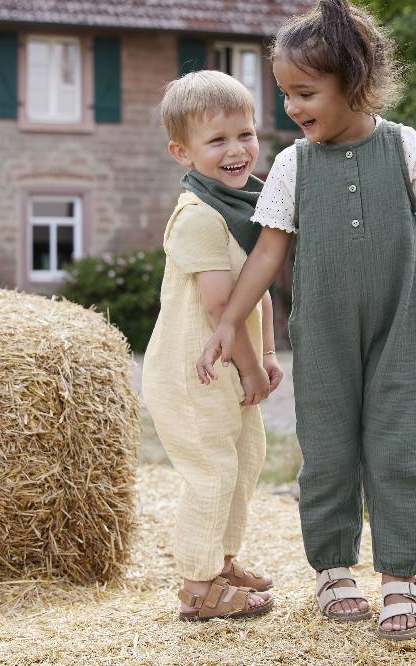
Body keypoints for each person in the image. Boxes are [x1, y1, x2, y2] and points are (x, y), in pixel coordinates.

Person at [195, 0, 416, 640]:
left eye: (305, 92)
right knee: (328, 453)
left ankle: (400, 579)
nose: (291, 107)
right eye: (285, 94)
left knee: (401, 447)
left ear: (354, 82)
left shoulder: (406, 147)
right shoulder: (292, 164)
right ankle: (333, 569)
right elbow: (267, 250)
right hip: (321, 338)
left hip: (404, 330)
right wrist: (229, 323)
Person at [143, 70, 284, 621]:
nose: (236, 149)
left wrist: (267, 356)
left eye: (245, 134)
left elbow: (259, 295)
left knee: (246, 459)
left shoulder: (242, 206)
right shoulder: (199, 217)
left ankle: (223, 561)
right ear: (182, 152)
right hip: (192, 370)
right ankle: (199, 589)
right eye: (217, 140)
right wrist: (250, 370)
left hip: (230, 364)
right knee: (213, 471)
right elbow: (221, 308)